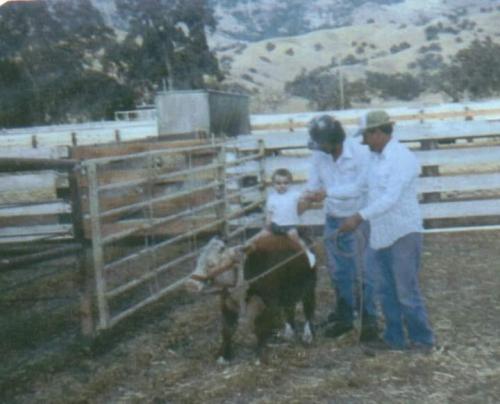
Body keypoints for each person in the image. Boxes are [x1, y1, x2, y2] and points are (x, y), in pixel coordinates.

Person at [339, 110, 435, 351]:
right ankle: (394, 338)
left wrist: (359, 216)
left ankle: (422, 340)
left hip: (403, 231)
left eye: (366, 136)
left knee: (405, 290)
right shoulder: (374, 158)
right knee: (384, 289)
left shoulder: (402, 158)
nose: (363, 142)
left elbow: (390, 198)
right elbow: (358, 187)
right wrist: (325, 194)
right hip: (381, 233)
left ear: (379, 133)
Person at [301, 115, 379, 341]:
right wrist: (303, 199)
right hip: (334, 217)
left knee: (363, 271)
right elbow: (313, 183)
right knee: (338, 272)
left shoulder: (360, 153)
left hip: (358, 218)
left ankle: (369, 320)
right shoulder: (319, 154)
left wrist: (327, 193)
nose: (318, 147)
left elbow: (359, 187)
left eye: (321, 143)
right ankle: (345, 316)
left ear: (333, 141)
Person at [244, 168, 316, 268]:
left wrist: (309, 195)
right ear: (273, 184)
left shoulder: (294, 195)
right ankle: (244, 247)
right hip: (275, 225)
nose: (282, 186)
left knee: (295, 238)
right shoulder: (272, 197)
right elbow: (270, 213)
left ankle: (308, 254)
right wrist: (267, 225)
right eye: (278, 183)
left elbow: (304, 197)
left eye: (285, 183)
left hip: (289, 226)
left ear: (290, 183)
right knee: (259, 236)